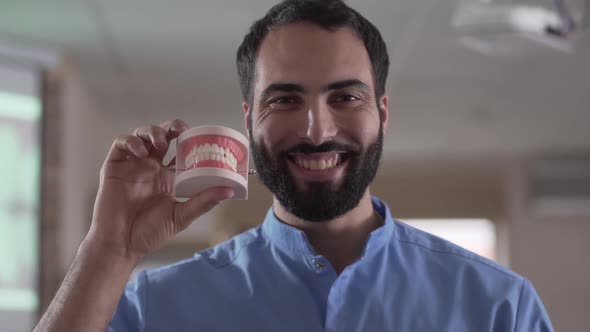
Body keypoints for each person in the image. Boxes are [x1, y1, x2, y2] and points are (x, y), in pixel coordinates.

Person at [35, 0, 554, 331]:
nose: (316, 130)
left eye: (345, 97)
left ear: (383, 112)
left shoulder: (497, 308)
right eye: (284, 100)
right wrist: (109, 247)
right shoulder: (154, 307)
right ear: (248, 117)